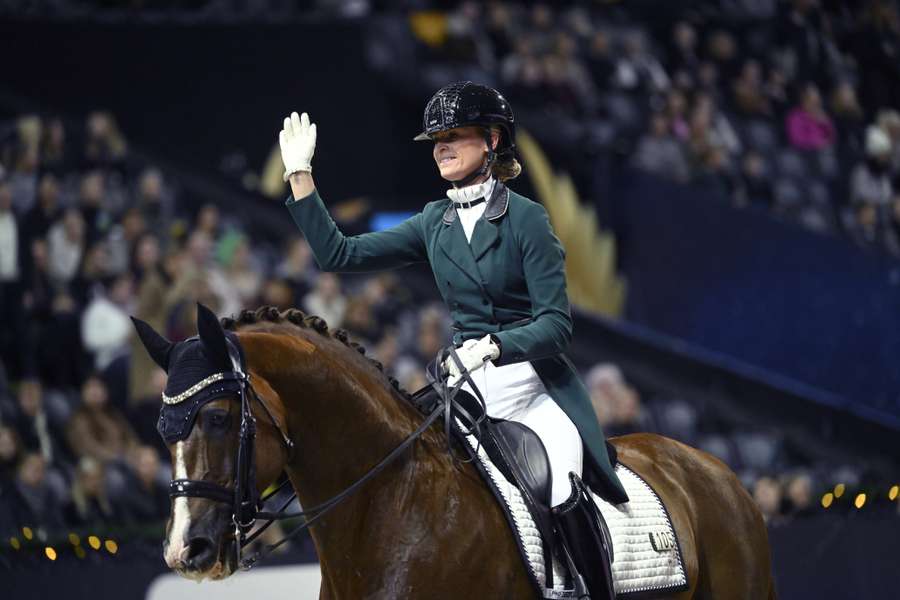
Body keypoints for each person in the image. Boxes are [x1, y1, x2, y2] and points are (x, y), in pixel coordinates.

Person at [279, 81, 626, 599]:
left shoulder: (527, 219)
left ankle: (585, 589)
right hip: (463, 383)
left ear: (491, 141)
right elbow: (340, 255)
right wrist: (300, 176)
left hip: (530, 381)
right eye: (436, 138)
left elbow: (557, 325)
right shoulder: (433, 222)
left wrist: (498, 346)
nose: (441, 146)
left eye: (454, 136)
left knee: (560, 476)